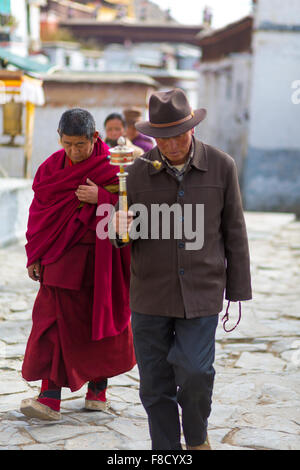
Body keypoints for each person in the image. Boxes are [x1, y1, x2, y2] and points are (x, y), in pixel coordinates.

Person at [111, 89, 252, 450]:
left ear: (192, 128)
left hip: (201, 292)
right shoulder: (135, 173)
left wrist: (236, 290)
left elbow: (234, 230)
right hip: (150, 295)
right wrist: (119, 230)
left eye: (178, 134)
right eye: (163, 137)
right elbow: (122, 235)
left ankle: (197, 438)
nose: (171, 144)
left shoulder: (222, 166)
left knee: (195, 372)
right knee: (154, 384)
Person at [20, 108, 135, 421]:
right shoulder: (49, 169)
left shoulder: (115, 167)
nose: (73, 151)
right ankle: (49, 396)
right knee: (51, 323)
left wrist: (102, 197)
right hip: (59, 258)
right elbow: (38, 216)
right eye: (67, 144)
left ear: (94, 138)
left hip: (102, 259)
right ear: (60, 139)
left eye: (80, 145)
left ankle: (98, 388)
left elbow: (133, 211)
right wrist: (35, 256)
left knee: (100, 322)